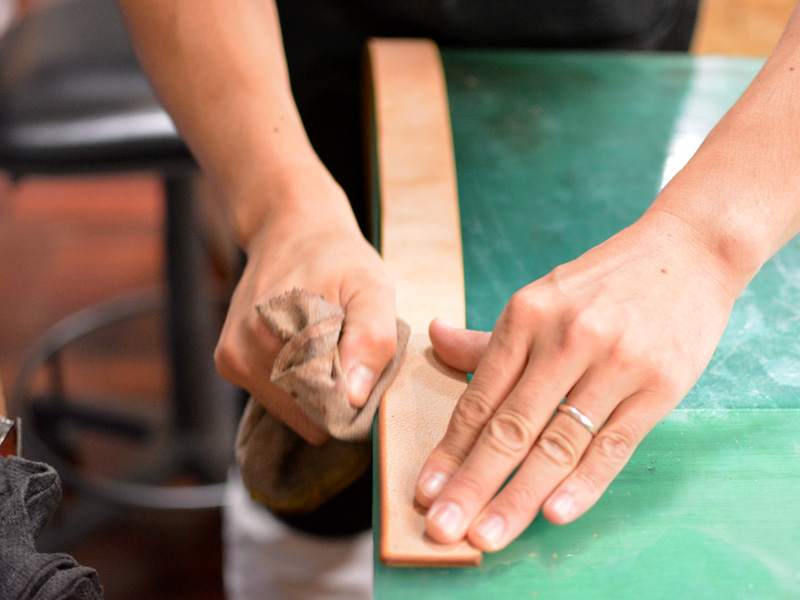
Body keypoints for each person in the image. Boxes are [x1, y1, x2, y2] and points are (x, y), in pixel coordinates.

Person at [115, 1, 800, 598]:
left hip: (600, 64)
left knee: (579, 431)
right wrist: (275, 204)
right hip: (307, 77)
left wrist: (701, 242)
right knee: (314, 476)